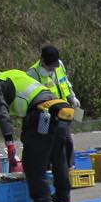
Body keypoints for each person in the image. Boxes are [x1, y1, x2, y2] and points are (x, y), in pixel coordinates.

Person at [0, 65, 74, 202]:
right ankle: (63, 196)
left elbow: (1, 113)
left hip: (42, 115)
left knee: (32, 161)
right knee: (58, 156)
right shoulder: (12, 73)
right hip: (60, 111)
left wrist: (9, 141)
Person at [28, 44, 82, 177]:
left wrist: (72, 97)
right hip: (45, 113)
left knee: (66, 138)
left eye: (54, 65)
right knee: (46, 140)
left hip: (62, 109)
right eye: (50, 66)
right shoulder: (33, 73)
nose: (53, 68)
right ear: (42, 61)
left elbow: (65, 82)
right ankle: (46, 169)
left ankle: (70, 168)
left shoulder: (59, 65)